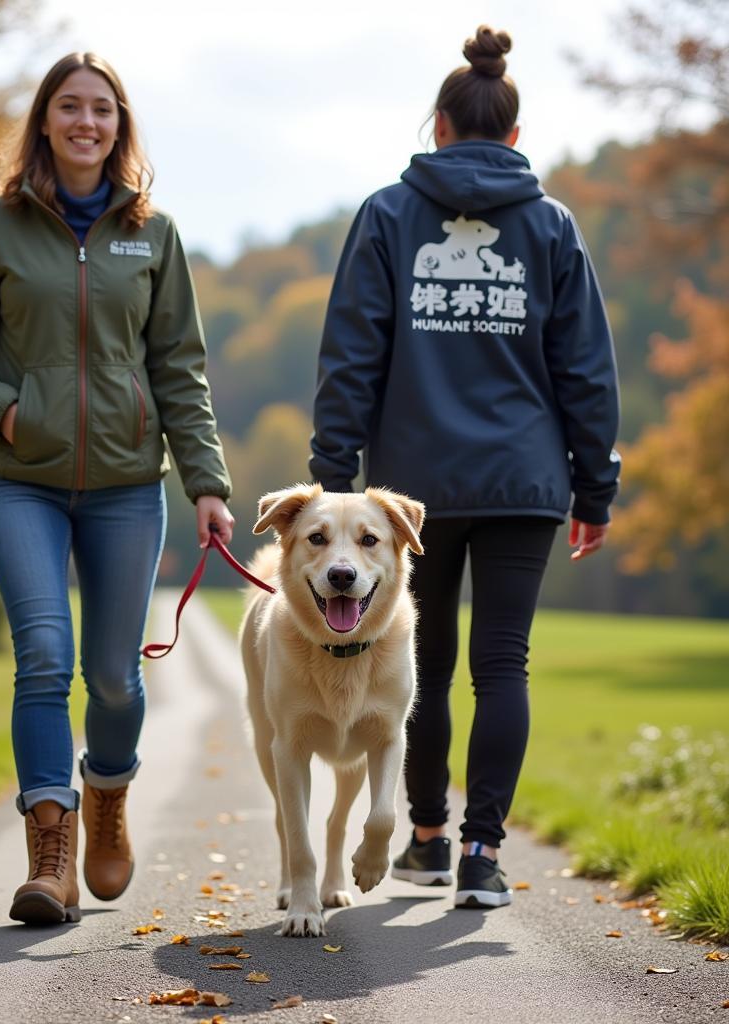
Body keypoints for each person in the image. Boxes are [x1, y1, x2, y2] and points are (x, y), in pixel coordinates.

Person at [309, 26, 619, 909]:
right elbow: (586, 370)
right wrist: (594, 486)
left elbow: (350, 359)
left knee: (426, 664)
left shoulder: (386, 215)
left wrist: (336, 476)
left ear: (438, 128)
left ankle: (431, 841)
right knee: (504, 665)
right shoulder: (552, 226)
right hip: (526, 483)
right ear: (514, 139)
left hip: (413, 491)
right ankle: (484, 855)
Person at [0, 52, 234, 925]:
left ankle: (105, 797)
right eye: (69, 106)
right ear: (46, 121)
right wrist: (7, 414)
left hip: (129, 486)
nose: (85, 121)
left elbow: (180, 368)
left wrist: (207, 482)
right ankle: (49, 852)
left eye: (101, 108)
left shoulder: (154, 234)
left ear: (119, 124)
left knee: (116, 679)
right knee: (45, 660)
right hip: (20, 479)